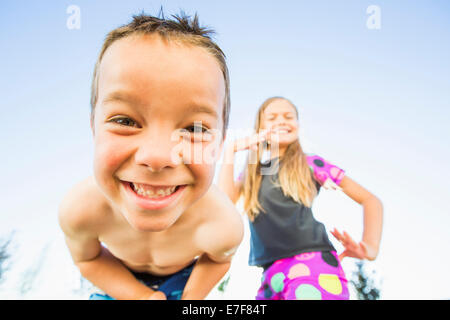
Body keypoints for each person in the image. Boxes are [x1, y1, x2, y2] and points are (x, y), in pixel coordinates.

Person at [58, 12, 243, 300]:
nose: (157, 158)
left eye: (194, 128)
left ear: (219, 142)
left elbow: (219, 260)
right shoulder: (80, 211)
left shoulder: (223, 224)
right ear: (93, 125)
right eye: (125, 121)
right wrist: (142, 297)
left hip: (186, 278)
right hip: (117, 275)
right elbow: (89, 260)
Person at [218, 96, 383, 300]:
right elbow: (223, 207)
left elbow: (370, 200)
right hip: (270, 275)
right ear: (259, 128)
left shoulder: (310, 163)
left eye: (289, 116)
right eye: (272, 118)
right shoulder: (254, 174)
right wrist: (230, 151)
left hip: (314, 266)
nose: (281, 121)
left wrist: (370, 247)